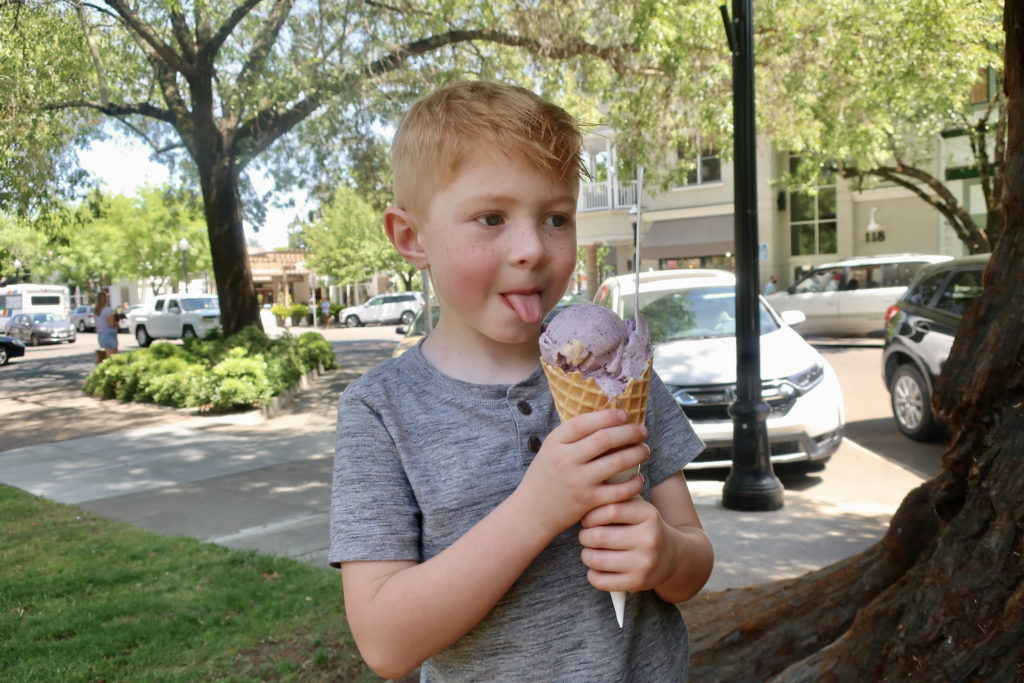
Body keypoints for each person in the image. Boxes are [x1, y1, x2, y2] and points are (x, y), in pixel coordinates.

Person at [328, 81, 714, 681]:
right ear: (411, 237)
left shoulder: (617, 368)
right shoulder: (381, 412)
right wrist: (535, 512)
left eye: (556, 217)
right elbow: (385, 643)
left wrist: (665, 555)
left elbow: (693, 560)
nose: (533, 248)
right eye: (491, 218)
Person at [93, 291, 118, 362]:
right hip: (109, 334)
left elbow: (96, 325)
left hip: (101, 334)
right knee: (111, 356)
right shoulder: (108, 310)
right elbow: (112, 323)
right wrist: (117, 321)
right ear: (106, 299)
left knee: (107, 353)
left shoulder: (96, 311)